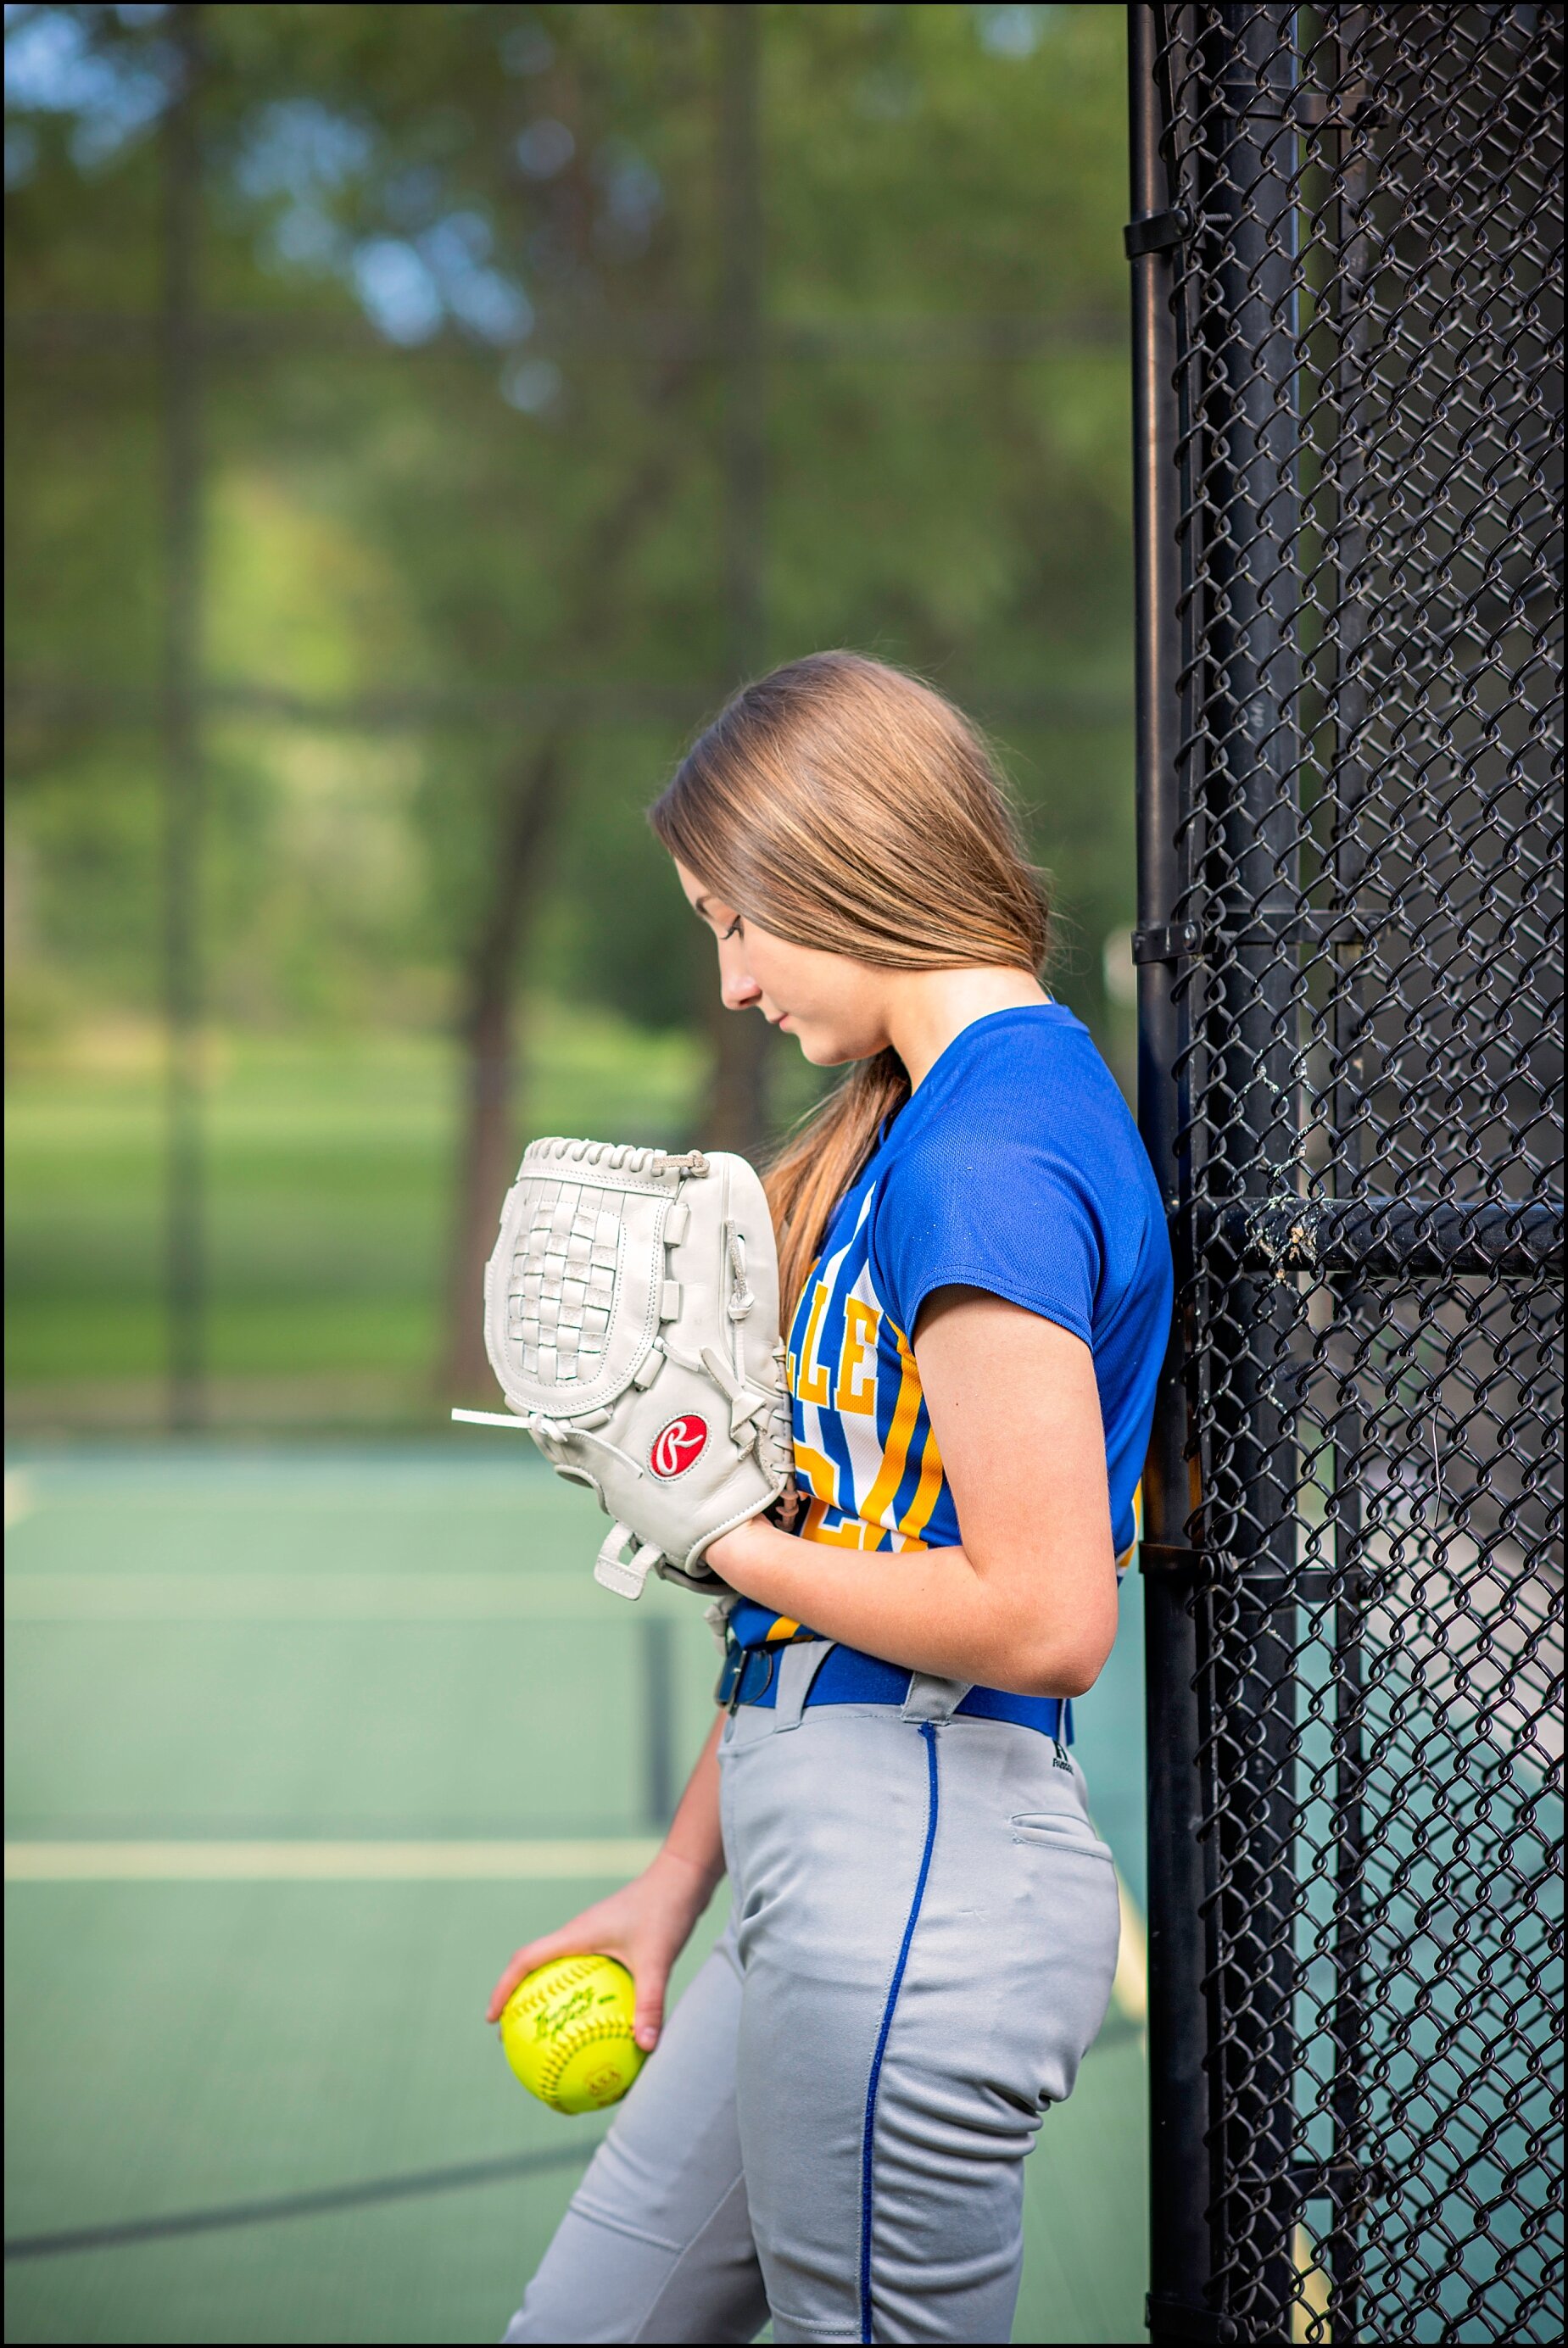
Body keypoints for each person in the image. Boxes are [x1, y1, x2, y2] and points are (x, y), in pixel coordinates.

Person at [491, 652, 1173, 2345]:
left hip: (915, 1879)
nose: (730, 980)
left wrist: (714, 1528)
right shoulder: (928, 1125)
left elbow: (1042, 1611)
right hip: (833, 1857)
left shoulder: (988, 1150)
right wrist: (672, 1878)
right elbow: (851, 1579)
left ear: (834, 862)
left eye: (734, 921)